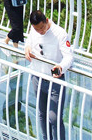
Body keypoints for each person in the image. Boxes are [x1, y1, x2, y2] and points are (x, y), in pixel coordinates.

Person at [24, 10, 74, 140]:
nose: (40, 31)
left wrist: (61, 67)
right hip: (37, 76)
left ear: (47, 21)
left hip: (54, 79)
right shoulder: (34, 29)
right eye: (37, 29)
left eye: (42, 28)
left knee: (54, 117)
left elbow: (69, 56)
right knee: (42, 113)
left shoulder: (60, 33)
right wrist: (27, 48)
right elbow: (29, 41)